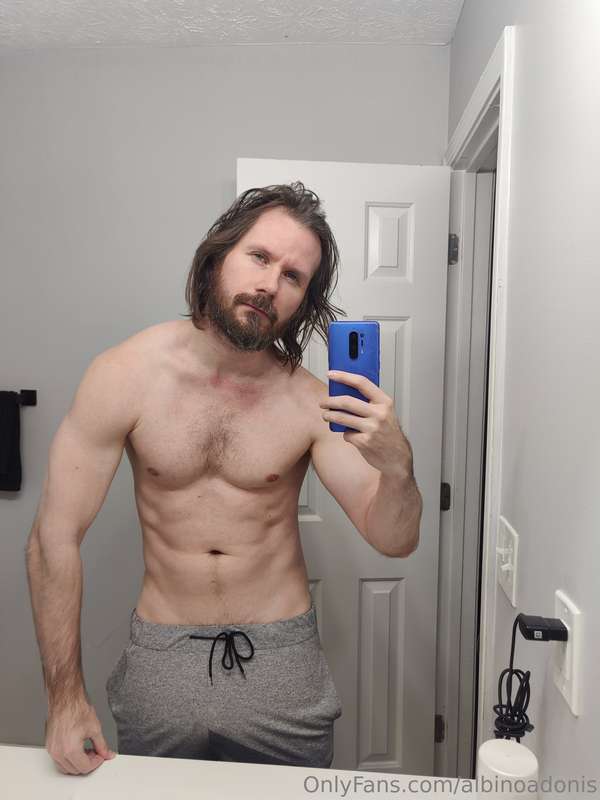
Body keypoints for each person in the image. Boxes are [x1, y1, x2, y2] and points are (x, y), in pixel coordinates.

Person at [25, 182, 422, 776]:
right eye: (260, 257)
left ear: (304, 301)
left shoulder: (311, 402)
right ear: (219, 255)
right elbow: (52, 540)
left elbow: (395, 538)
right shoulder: (124, 376)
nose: (270, 284)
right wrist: (63, 699)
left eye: (293, 277)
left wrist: (397, 465)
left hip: (281, 663)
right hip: (162, 660)